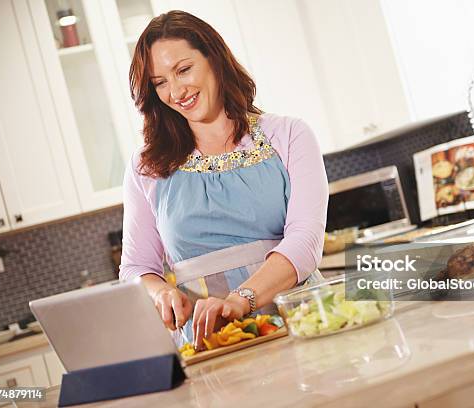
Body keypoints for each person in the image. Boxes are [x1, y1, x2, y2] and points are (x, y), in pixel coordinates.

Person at [120, 10, 328, 350]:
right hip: (208, 341)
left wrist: (239, 300)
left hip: (299, 321)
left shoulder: (289, 135)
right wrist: (161, 293)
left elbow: (305, 242)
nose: (176, 91)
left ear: (214, 59)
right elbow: (136, 268)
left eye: (183, 70)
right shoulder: (147, 166)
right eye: (160, 82)